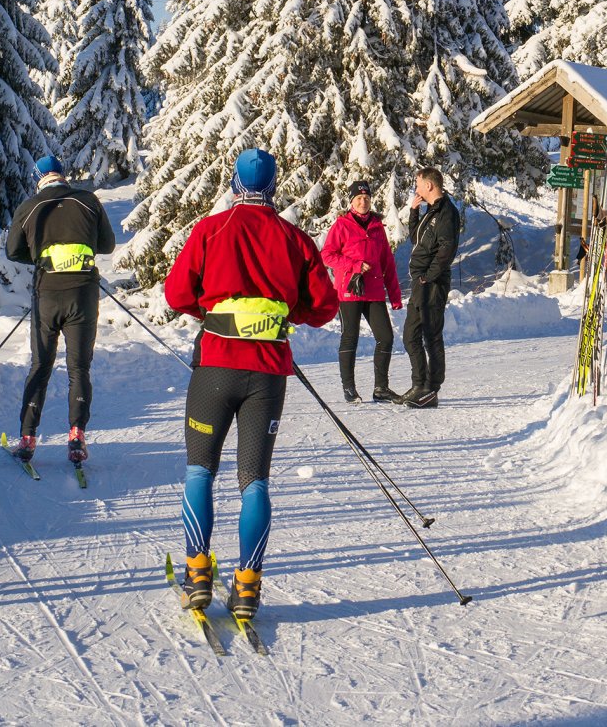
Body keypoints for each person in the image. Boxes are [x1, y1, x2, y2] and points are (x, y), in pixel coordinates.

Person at [162, 148, 338, 620]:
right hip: (267, 372)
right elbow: (324, 307)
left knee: (200, 471)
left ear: (234, 184)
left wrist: (210, 308)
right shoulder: (295, 239)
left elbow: (176, 294)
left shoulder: (210, 229)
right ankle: (247, 587)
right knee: (254, 480)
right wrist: (284, 313)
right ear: (274, 187)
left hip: (215, 365)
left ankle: (198, 573)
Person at [5, 154, 116, 464]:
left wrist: (41, 257)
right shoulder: (88, 200)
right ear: (62, 174)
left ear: (37, 178)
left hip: (47, 294)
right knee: (79, 368)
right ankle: (77, 435)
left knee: (40, 366)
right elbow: (107, 245)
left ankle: (27, 438)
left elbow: (13, 251)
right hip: (83, 293)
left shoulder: (29, 207)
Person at [321, 180, 403, 402]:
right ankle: (349, 388)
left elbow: (388, 263)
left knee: (386, 337)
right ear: (351, 202)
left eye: (366, 198)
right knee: (350, 337)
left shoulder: (377, 227)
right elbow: (327, 255)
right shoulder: (342, 225)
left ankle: (381, 389)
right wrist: (354, 265)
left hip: (374, 290)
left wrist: (395, 296)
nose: (363, 202)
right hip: (350, 290)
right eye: (358, 198)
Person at [399, 167, 460, 409]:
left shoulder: (446, 212)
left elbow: (447, 248)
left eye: (418, 184)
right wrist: (414, 212)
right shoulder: (431, 211)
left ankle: (431, 389)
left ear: (429, 185)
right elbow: (417, 240)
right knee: (410, 335)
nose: (416, 189)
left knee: (431, 335)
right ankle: (419, 385)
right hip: (420, 283)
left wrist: (428, 276)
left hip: (432, 283)